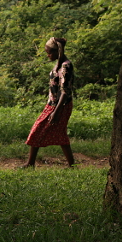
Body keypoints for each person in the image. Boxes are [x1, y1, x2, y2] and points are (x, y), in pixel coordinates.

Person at [22, 37, 75, 168]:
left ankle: (30, 163)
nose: (48, 55)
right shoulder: (58, 64)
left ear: (58, 52)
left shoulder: (65, 66)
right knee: (60, 133)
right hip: (53, 104)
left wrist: (56, 112)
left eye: (50, 52)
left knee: (37, 129)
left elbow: (65, 91)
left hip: (60, 106)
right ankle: (71, 164)